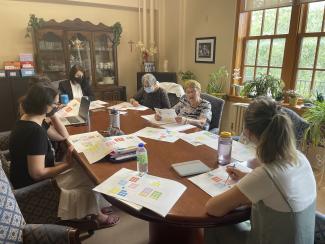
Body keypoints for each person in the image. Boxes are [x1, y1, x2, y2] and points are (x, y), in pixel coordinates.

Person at [205, 96, 316, 244]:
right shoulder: (300, 158)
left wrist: (240, 195)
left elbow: (213, 208)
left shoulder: (267, 175)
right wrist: (247, 177)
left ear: (248, 133)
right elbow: (278, 189)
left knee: (214, 225)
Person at [9, 81, 118, 227]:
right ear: (44, 106)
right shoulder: (35, 132)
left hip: (27, 176)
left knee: (84, 169)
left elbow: (62, 136)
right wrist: (66, 164)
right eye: (55, 103)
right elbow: (37, 174)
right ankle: (94, 215)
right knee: (88, 175)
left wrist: (53, 114)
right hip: (37, 185)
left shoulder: (30, 118)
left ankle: (94, 207)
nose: (57, 106)